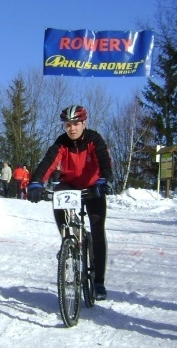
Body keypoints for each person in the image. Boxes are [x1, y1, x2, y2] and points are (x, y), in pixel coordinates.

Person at [26, 104, 114, 301]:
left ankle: (98, 281)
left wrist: (105, 179)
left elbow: (105, 161)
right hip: (70, 186)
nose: (72, 128)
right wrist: (35, 183)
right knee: (57, 197)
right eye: (67, 125)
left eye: (75, 124)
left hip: (93, 188)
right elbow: (47, 162)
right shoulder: (62, 143)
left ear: (84, 123)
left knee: (98, 229)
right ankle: (67, 241)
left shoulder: (94, 139)